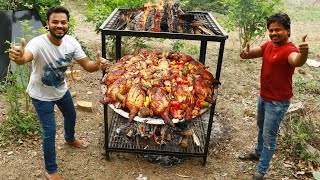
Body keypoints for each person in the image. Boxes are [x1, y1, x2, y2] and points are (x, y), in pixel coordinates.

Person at [8, 5, 107, 180]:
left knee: (71, 115)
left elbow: (88, 66)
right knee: (50, 131)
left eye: (63, 22)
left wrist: (98, 65)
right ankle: (51, 170)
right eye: (55, 22)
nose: (59, 25)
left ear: (68, 24)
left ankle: (69, 138)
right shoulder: (38, 43)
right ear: (47, 24)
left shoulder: (72, 42)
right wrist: (19, 57)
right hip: (40, 95)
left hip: (61, 90)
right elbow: (25, 57)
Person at [238, 13, 308, 180]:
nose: (274, 33)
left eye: (278, 30)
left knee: (269, 136)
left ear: (288, 31)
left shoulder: (290, 50)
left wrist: (304, 52)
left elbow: (297, 61)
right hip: (264, 96)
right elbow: (253, 52)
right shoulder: (269, 45)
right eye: (271, 30)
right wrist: (245, 53)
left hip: (277, 102)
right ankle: (258, 152)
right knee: (261, 126)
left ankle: (261, 171)